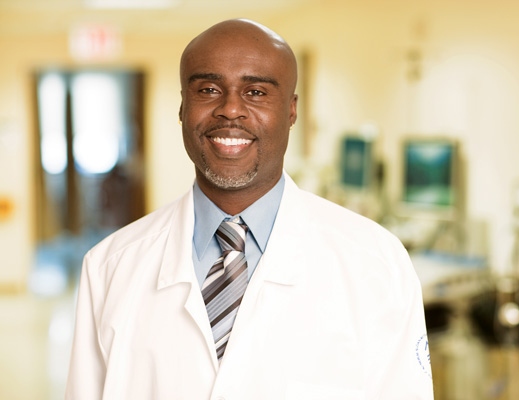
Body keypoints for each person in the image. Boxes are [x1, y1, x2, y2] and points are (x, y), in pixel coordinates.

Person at [66, 19, 434, 400]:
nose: (230, 109)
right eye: (208, 89)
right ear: (182, 107)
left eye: (256, 92)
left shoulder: (377, 262)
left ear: (291, 111)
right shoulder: (110, 267)